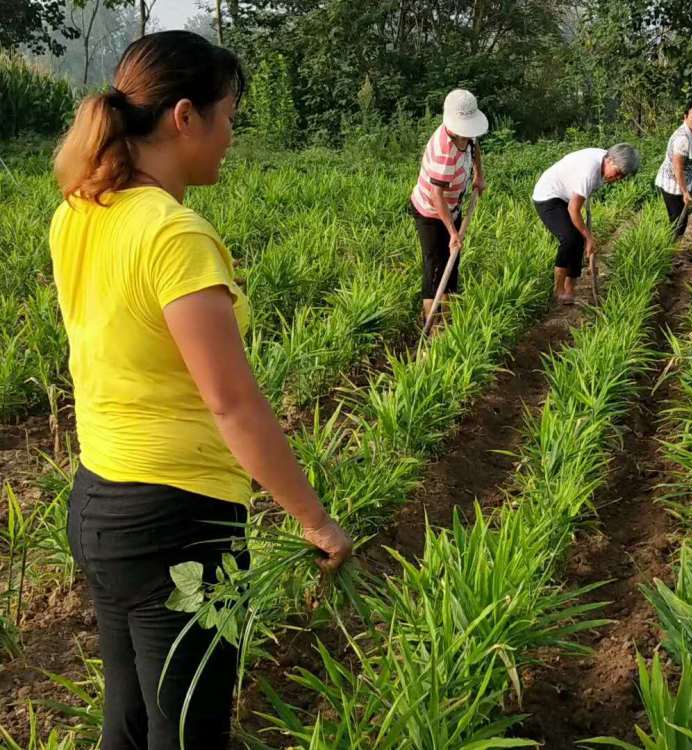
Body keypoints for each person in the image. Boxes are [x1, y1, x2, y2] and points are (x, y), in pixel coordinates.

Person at [50, 31, 352, 750]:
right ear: (185, 117)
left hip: (100, 505)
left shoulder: (78, 213)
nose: (232, 134)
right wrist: (314, 520)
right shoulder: (174, 235)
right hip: (179, 527)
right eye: (229, 114)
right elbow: (232, 403)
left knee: (128, 723)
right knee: (190, 731)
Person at [410, 89, 488, 329]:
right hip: (430, 212)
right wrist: (452, 232)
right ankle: (432, 327)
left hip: (452, 207)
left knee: (452, 264)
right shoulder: (443, 150)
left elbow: (475, 150)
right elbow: (436, 196)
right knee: (435, 266)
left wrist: (478, 175)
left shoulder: (467, 135)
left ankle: (448, 322)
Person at [532, 143, 641, 305]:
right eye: (618, 173)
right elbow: (573, 209)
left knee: (578, 238)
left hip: (565, 196)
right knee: (569, 238)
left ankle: (570, 289)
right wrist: (589, 237)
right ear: (610, 160)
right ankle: (558, 290)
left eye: (622, 177)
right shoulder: (589, 172)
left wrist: (585, 236)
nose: (617, 179)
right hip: (547, 195)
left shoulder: (604, 161)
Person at [655, 102, 692, 239]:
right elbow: (677, 168)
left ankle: (675, 245)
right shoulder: (682, 139)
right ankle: (670, 249)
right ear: (685, 117)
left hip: (684, 179)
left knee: (682, 219)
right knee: (677, 220)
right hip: (673, 183)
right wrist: (685, 192)